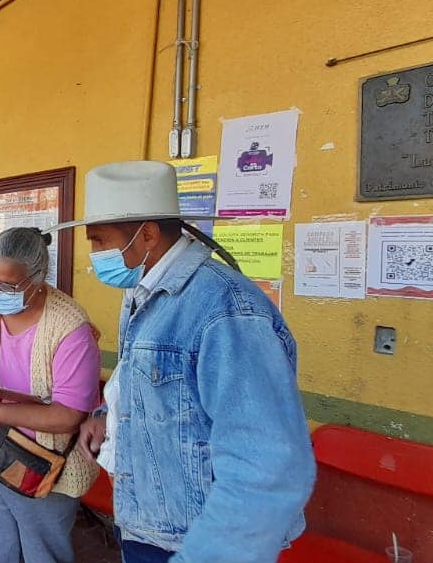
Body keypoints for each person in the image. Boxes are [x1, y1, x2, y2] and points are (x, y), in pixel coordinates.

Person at [55, 161, 315, 563]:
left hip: (194, 540)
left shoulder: (226, 310)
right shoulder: (143, 293)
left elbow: (265, 466)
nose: (94, 255)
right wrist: (108, 414)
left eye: (99, 240)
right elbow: (159, 386)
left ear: (146, 235)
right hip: (148, 521)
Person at [0, 227, 101, 563]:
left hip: (40, 464)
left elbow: (67, 416)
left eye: (8, 285)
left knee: (43, 555)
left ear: (38, 278)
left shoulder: (69, 326)